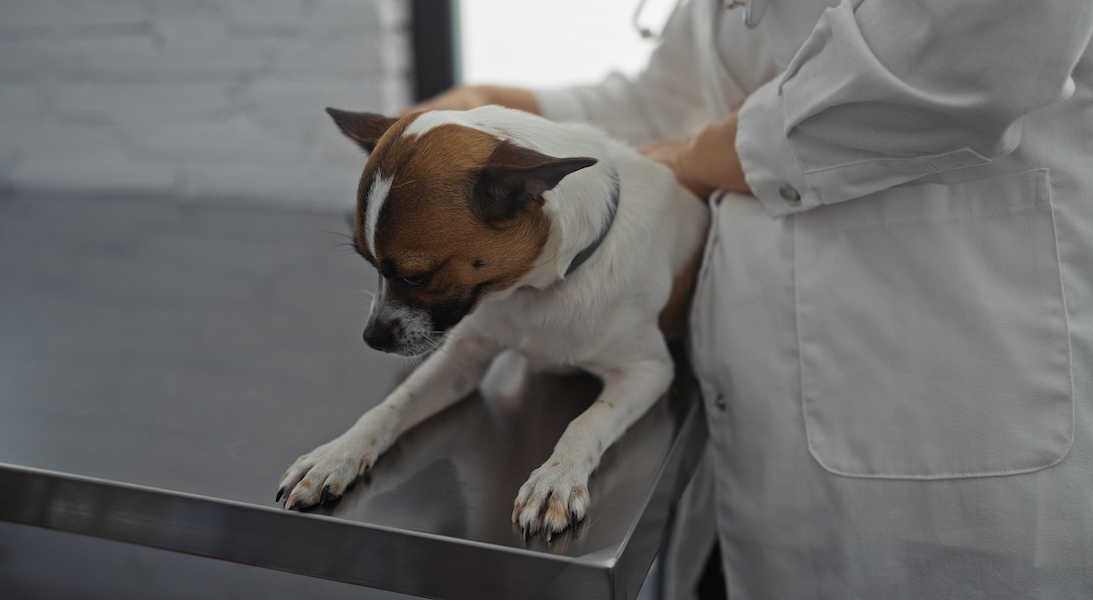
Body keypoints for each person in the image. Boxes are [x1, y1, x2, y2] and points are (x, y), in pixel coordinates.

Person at [406, 1, 1093, 598]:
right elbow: (670, 96)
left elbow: (974, 51)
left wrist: (699, 156)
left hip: (954, 433)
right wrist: (503, 118)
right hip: (750, 448)